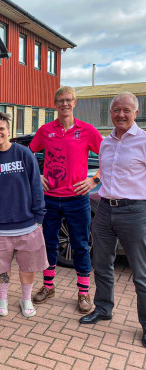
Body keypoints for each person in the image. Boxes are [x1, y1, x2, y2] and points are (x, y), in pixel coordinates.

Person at [79, 92, 146, 347]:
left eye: (126, 110)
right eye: (116, 110)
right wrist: (92, 181)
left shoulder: (143, 141)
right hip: (105, 209)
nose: (121, 114)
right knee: (102, 263)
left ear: (136, 113)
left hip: (135, 211)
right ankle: (103, 308)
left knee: (141, 273)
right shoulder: (106, 143)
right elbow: (103, 172)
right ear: (110, 113)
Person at [30, 86, 103, 314]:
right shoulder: (45, 131)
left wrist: (95, 179)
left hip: (77, 199)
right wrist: (37, 176)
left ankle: (83, 293)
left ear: (75, 103)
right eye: (60, 100)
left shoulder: (87, 130)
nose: (64, 104)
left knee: (80, 246)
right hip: (50, 199)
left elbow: (108, 156)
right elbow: (28, 154)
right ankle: (48, 287)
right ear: (55, 104)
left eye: (68, 100)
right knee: (49, 244)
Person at [0, 111, 48, 317]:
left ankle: (25, 299)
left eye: (1, 129)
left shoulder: (24, 154)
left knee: (28, 266)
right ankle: (3, 298)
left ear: (9, 131)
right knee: (2, 267)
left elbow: (36, 186)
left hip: (28, 224)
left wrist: (39, 219)